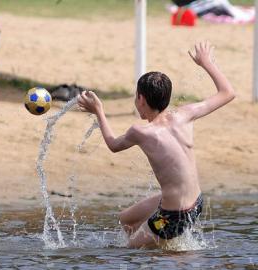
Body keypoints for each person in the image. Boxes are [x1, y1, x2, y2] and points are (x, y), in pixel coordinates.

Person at [78, 41, 235, 248]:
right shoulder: (185, 114)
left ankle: (166, 253)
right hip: (195, 203)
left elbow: (113, 145)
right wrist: (206, 63)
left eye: (136, 97)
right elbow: (227, 92)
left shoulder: (140, 131)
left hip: (173, 215)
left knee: (127, 252)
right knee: (126, 219)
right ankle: (161, 249)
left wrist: (98, 110)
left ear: (141, 99)